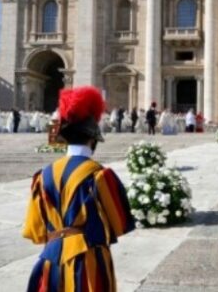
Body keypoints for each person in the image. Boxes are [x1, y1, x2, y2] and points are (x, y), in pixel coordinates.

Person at [22, 86, 135, 291]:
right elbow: (120, 224)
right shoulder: (99, 175)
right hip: (89, 260)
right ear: (93, 140)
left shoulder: (43, 175)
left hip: (50, 259)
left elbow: (35, 231)